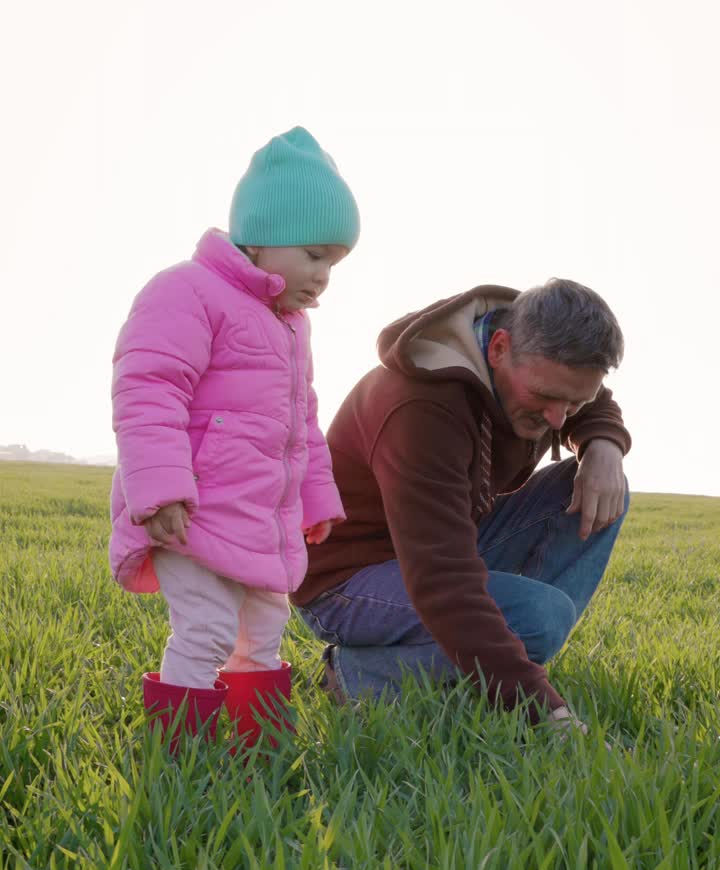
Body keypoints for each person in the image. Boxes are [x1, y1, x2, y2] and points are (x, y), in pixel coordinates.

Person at [109, 126, 360, 749]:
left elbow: (303, 422)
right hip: (190, 514)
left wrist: (315, 500)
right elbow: (148, 388)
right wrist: (161, 489)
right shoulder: (187, 292)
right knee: (206, 631)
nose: (324, 274)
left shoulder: (291, 327)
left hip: (256, 517)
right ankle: (182, 759)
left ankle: (262, 750)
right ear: (264, 234)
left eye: (334, 261)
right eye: (315, 253)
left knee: (264, 629)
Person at [292, 278, 630, 732]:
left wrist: (604, 444)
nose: (557, 418)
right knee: (537, 617)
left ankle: (500, 662)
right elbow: (443, 578)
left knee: (603, 487)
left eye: (574, 402)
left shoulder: (540, 365)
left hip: (444, 545)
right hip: (345, 580)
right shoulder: (419, 409)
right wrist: (546, 715)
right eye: (546, 398)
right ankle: (357, 677)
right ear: (500, 349)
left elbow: (587, 403)